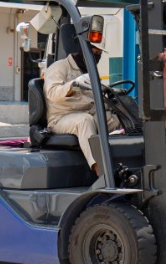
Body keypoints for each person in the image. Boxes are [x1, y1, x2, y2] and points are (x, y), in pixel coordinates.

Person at [44, 39, 120, 173]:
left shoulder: (89, 70)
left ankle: (127, 161)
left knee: (118, 119)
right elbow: (52, 93)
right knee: (84, 120)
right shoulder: (60, 67)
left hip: (88, 113)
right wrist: (73, 85)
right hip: (61, 118)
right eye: (93, 51)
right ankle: (101, 171)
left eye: (99, 52)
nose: (96, 55)